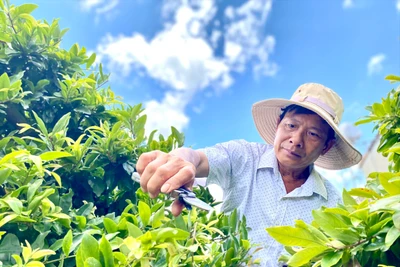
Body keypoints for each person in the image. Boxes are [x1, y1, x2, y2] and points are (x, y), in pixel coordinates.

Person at [136, 83, 362, 266]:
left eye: (313, 133)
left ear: (326, 146)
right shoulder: (244, 157)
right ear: (278, 124)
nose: (296, 139)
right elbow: (200, 158)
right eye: (291, 126)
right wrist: (183, 161)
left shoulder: (332, 203)